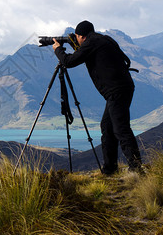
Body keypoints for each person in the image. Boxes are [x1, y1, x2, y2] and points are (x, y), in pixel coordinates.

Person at [52, 20, 143, 175]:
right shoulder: (102, 40)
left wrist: (58, 49)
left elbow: (69, 62)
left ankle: (136, 169)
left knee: (121, 128)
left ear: (81, 36)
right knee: (107, 127)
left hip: (117, 91)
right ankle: (109, 170)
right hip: (122, 88)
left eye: (77, 37)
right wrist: (76, 48)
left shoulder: (91, 43)